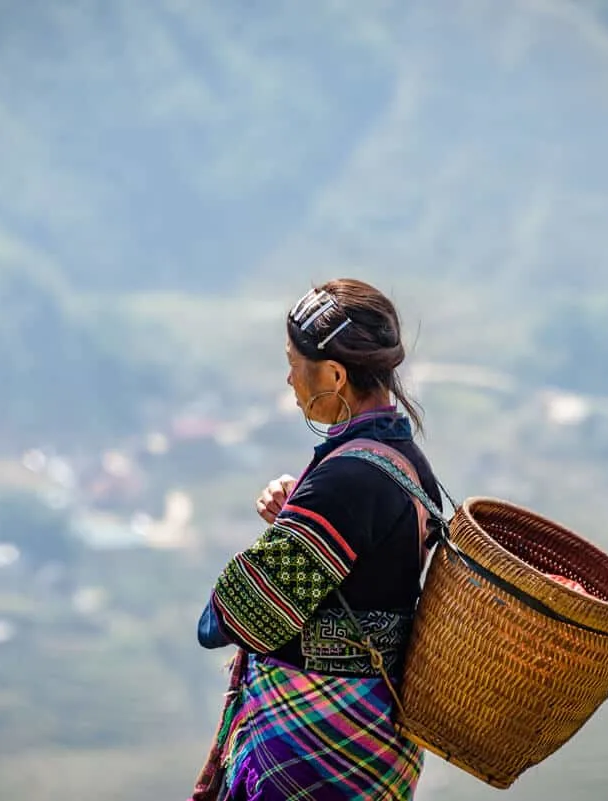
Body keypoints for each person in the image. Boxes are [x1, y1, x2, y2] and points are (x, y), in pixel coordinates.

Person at [191, 278, 443, 801]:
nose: (288, 379)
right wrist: (298, 518)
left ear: (333, 373)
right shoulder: (407, 462)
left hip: (315, 747)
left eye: (294, 362)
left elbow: (230, 617)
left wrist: (297, 528)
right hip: (375, 743)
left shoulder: (348, 479)